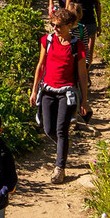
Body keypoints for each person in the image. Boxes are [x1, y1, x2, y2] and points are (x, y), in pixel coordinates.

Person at [31, 10, 86, 181]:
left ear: (70, 26)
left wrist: (84, 100)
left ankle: (59, 169)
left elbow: (82, 74)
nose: (54, 28)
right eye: (52, 24)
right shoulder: (47, 41)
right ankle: (63, 148)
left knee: (61, 130)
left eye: (58, 26)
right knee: (48, 129)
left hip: (67, 92)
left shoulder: (77, 46)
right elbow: (40, 66)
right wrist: (34, 91)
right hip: (47, 90)